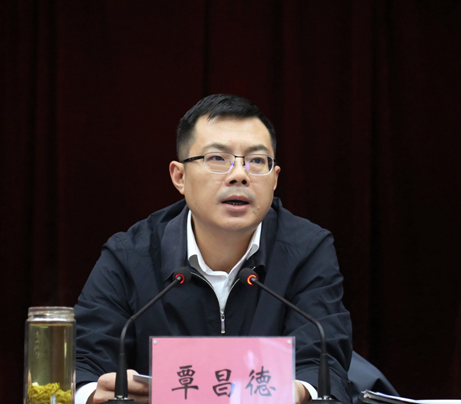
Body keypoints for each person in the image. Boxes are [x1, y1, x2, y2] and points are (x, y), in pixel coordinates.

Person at [74, 94, 353, 404]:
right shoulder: (130, 256)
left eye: (257, 161)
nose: (239, 175)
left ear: (274, 179)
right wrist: (91, 393)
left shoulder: (307, 250)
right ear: (179, 176)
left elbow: (323, 360)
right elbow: (83, 360)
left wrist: (295, 391)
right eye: (218, 158)